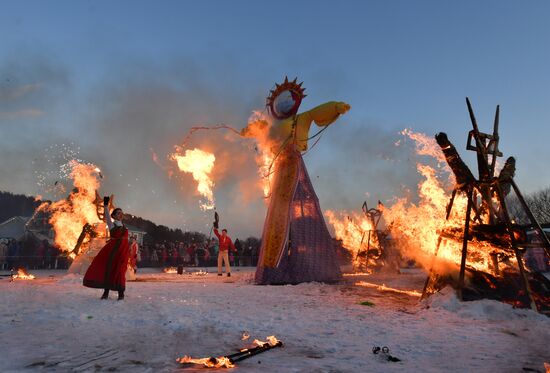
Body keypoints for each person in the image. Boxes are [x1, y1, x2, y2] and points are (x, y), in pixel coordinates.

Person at [83, 197, 130, 300]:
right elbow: (108, 217)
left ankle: (121, 293)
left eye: (121, 213)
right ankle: (106, 292)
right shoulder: (112, 225)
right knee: (110, 270)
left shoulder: (125, 226)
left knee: (121, 271)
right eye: (118, 213)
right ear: (114, 216)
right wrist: (105, 206)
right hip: (114, 252)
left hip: (123, 252)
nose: (120, 215)